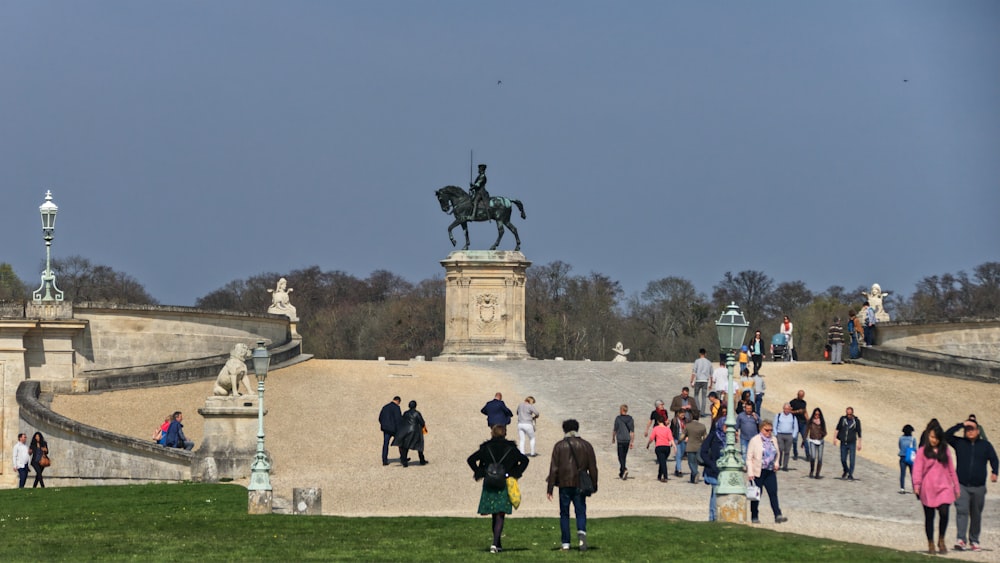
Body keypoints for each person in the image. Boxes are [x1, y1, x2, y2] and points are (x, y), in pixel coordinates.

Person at [467, 424, 529, 553]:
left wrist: (480, 471)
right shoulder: (511, 449)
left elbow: (471, 459)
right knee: (500, 513)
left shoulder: (486, 448)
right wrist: (514, 472)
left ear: (492, 433)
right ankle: (495, 543)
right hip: (504, 481)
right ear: (505, 433)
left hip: (489, 481)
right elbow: (525, 460)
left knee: (495, 513)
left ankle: (498, 543)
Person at [944, 419, 998, 552]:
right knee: (961, 511)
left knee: (976, 514)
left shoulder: (985, 445)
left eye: (972, 429)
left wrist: (995, 472)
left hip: (979, 486)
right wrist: (961, 424)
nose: (970, 431)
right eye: (967, 429)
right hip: (961, 484)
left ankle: (974, 540)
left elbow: (994, 459)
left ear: (978, 431)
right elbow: (946, 436)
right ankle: (961, 540)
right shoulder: (960, 443)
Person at [547, 419, 598, 552]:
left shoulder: (559, 446)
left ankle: (565, 543)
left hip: (564, 483)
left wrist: (550, 487)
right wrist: (594, 483)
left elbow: (554, 468)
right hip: (580, 483)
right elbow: (593, 467)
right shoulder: (586, 445)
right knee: (580, 510)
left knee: (564, 513)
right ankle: (581, 531)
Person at [913, 424, 960, 555]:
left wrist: (956, 486)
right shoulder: (922, 451)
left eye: (937, 438)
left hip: (944, 487)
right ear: (928, 436)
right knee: (930, 517)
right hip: (928, 488)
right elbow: (917, 470)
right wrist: (916, 485)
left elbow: (951, 469)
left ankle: (941, 539)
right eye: (932, 437)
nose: (934, 440)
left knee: (944, 512)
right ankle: (930, 543)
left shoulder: (945, 451)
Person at [746, 420, 788, 524]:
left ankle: (777, 514)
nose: (769, 432)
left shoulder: (773, 439)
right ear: (761, 429)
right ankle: (754, 516)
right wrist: (750, 472)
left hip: (770, 471)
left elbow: (777, 453)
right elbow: (749, 458)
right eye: (766, 430)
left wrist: (777, 463)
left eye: (770, 430)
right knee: (756, 495)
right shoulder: (755, 440)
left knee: (773, 493)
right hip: (758, 472)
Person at [392, 400, 427, 467]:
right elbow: (422, 422)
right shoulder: (417, 413)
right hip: (415, 431)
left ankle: (404, 461)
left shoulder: (405, 413)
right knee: (419, 446)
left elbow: (402, 421)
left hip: (406, 430)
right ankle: (422, 460)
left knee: (405, 446)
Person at [699, 428, 723, 521]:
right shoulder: (713, 436)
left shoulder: (729, 438)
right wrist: (712, 464)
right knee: (716, 491)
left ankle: (714, 516)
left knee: (716, 493)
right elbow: (703, 451)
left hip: (724, 471)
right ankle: (713, 516)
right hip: (713, 470)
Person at [834, 407, 862, 480]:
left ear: (852, 413)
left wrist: (859, 444)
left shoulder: (856, 421)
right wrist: (834, 438)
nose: (848, 415)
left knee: (852, 459)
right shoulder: (843, 419)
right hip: (843, 442)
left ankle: (850, 474)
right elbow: (837, 428)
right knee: (843, 459)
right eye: (847, 414)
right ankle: (846, 469)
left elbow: (859, 433)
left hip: (852, 442)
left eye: (850, 414)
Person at [646, 415, 674, 482]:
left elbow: (652, 438)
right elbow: (671, 438)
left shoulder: (656, 428)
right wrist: (675, 447)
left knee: (663, 462)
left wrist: (648, 444)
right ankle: (659, 475)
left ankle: (665, 476)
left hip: (659, 447)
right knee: (662, 461)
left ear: (658, 421)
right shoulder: (667, 429)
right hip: (667, 447)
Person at [611, 404, 634, 480]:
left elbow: (615, 429)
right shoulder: (630, 419)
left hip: (620, 439)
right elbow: (632, 431)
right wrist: (631, 442)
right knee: (624, 456)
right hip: (627, 439)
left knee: (620, 456)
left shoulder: (618, 418)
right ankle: (621, 472)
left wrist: (613, 438)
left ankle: (624, 469)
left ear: (621, 410)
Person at [682, 413, 707, 484]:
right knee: (695, 462)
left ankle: (695, 472)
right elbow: (705, 437)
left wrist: (679, 441)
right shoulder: (702, 426)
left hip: (690, 446)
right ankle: (693, 479)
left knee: (691, 462)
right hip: (699, 445)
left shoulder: (688, 426)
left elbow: (683, 435)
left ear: (692, 417)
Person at [378, 396, 403, 466]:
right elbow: (398, 419)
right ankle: (403, 458)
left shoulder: (385, 407)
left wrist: (383, 425)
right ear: (398, 401)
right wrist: (400, 429)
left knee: (385, 444)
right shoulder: (397, 408)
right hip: (394, 429)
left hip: (386, 429)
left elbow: (380, 418)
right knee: (400, 443)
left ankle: (384, 460)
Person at [773, 403, 798, 471]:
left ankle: (785, 466)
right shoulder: (778, 415)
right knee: (780, 449)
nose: (786, 410)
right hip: (780, 434)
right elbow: (774, 425)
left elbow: (796, 427)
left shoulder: (793, 417)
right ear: (783, 408)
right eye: (785, 409)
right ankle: (779, 462)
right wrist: (776, 434)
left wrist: (793, 436)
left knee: (787, 451)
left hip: (789, 435)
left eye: (788, 409)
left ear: (790, 409)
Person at [806, 408, 828, 478]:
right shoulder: (810, 421)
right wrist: (804, 440)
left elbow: (825, 432)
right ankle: (812, 470)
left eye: (818, 414)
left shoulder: (822, 422)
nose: (817, 416)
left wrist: (822, 434)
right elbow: (806, 430)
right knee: (812, 456)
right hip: (812, 440)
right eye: (815, 414)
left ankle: (817, 473)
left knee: (820, 458)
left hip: (820, 441)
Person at [690, 348, 713, 414]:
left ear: (699, 353)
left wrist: (692, 380)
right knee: (704, 397)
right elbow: (711, 374)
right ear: (705, 354)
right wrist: (711, 384)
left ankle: (698, 409)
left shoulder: (697, 361)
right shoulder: (709, 362)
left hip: (698, 380)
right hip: (705, 381)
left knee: (696, 395)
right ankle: (702, 412)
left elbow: (694, 371)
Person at [789, 390, 809, 461]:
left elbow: (805, 411)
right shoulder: (792, 402)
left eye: (802, 395)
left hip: (803, 422)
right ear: (797, 394)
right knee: (795, 439)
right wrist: (797, 411)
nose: (801, 396)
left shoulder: (804, 403)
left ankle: (808, 455)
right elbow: (788, 411)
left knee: (805, 438)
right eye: (800, 395)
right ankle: (795, 453)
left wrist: (808, 420)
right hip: (795, 422)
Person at [898, 424, 916, 493]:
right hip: (910, 457)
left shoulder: (901, 438)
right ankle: (914, 488)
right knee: (913, 474)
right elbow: (914, 448)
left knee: (902, 473)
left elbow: (899, 446)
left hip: (902, 456)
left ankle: (902, 488)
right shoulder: (913, 439)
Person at [669, 411, 687, 478]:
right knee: (678, 454)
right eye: (682, 415)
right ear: (678, 414)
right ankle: (679, 470)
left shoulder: (686, 420)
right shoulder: (674, 421)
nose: (683, 416)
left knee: (681, 454)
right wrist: (671, 439)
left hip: (684, 437)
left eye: (684, 415)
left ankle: (677, 469)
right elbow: (671, 430)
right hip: (676, 437)